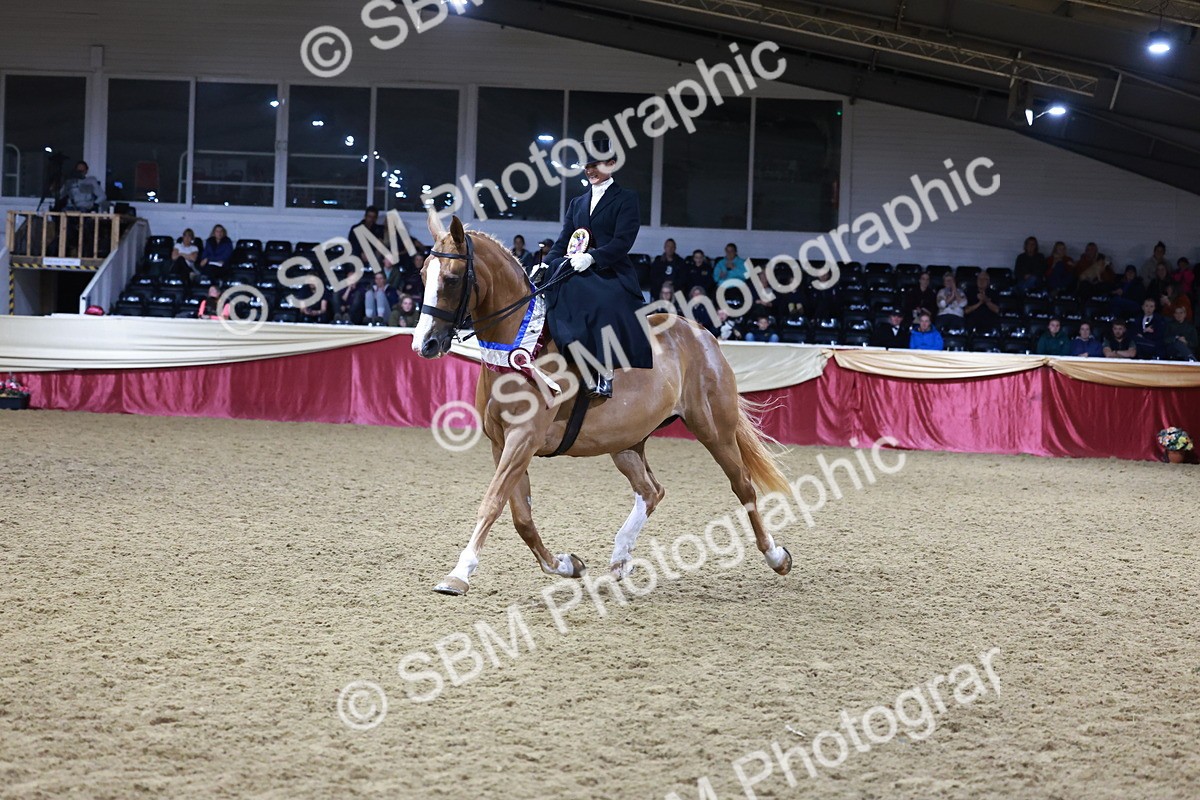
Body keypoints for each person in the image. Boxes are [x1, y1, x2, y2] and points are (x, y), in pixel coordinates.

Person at [542, 136, 652, 398]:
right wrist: (543, 265)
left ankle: (604, 370)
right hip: (575, 265)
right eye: (586, 166)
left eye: (595, 164)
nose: (589, 170)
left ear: (611, 164)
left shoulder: (626, 198)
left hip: (610, 269)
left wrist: (593, 258)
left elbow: (623, 241)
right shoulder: (577, 203)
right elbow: (563, 241)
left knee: (601, 300)